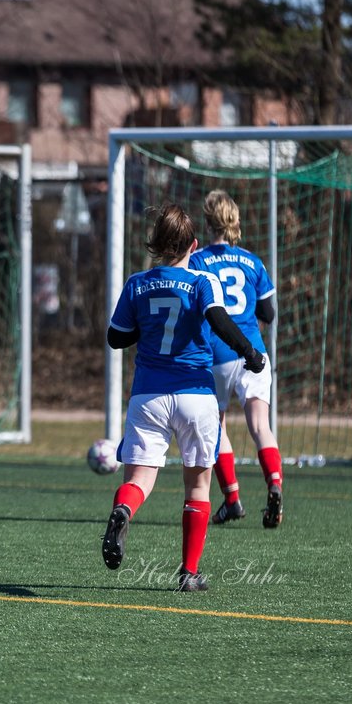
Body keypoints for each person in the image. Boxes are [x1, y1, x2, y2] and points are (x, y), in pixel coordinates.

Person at [102, 203, 265, 592]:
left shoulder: (137, 283)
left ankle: (122, 510)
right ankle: (188, 572)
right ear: (194, 245)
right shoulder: (200, 281)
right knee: (197, 486)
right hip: (195, 394)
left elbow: (116, 338)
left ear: (155, 245)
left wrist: (147, 325)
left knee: (140, 478)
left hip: (148, 395)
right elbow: (219, 320)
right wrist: (251, 353)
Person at [189, 190, 284, 528]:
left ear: (207, 220)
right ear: (235, 222)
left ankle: (231, 499)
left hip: (215, 354)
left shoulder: (197, 260)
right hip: (254, 352)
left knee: (217, 427)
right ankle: (274, 482)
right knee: (261, 427)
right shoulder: (253, 261)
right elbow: (269, 313)